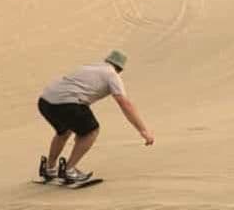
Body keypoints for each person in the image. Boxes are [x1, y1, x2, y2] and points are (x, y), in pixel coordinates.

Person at [37, 50, 154, 182]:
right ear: (120, 68)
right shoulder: (112, 75)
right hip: (67, 103)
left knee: (64, 132)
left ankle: (50, 168)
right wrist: (143, 130)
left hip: (45, 102)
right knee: (91, 131)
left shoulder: (90, 67)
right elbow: (124, 103)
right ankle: (69, 170)